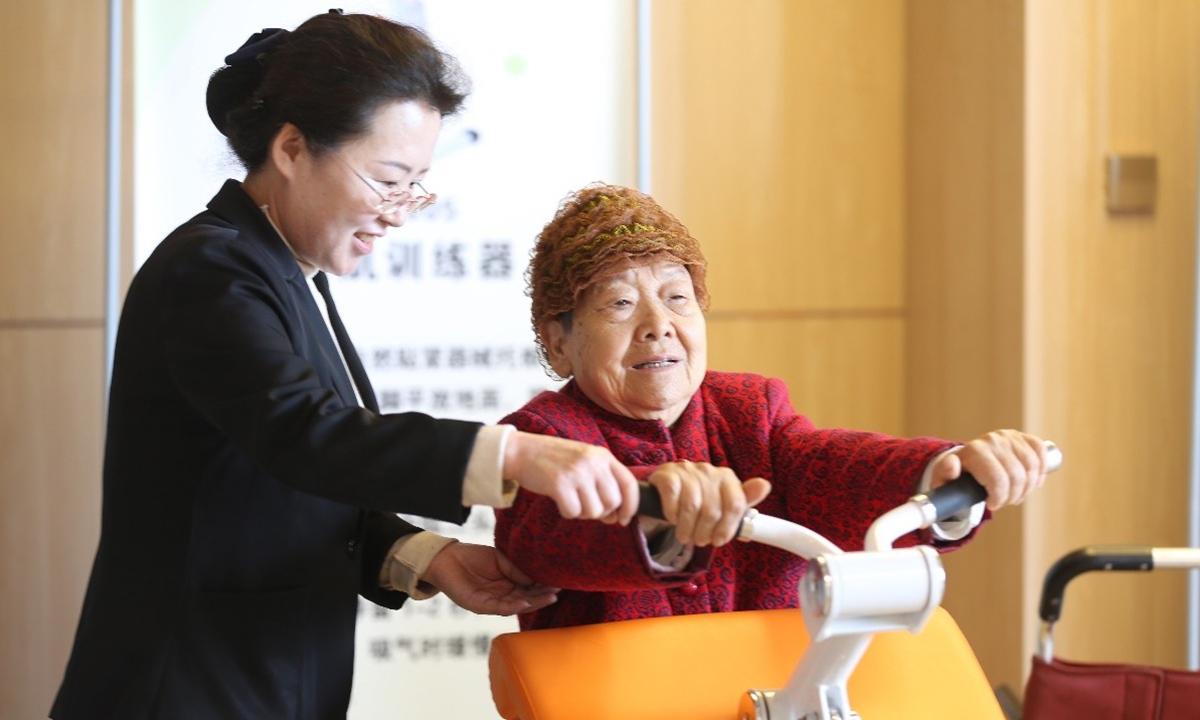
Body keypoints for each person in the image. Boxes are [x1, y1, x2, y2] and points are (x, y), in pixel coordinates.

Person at [51, 14, 640, 720]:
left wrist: (428, 557)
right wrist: (514, 454)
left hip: (263, 682)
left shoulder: (286, 269)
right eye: (390, 180)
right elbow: (305, 432)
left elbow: (288, 489)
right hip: (183, 687)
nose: (400, 214)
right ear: (293, 147)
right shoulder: (211, 270)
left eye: (417, 185)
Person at [493, 183, 1050, 630]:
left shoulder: (747, 409)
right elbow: (548, 536)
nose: (658, 326)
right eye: (620, 303)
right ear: (560, 341)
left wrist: (941, 471)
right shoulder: (539, 440)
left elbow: (827, 466)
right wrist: (661, 501)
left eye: (677, 298)